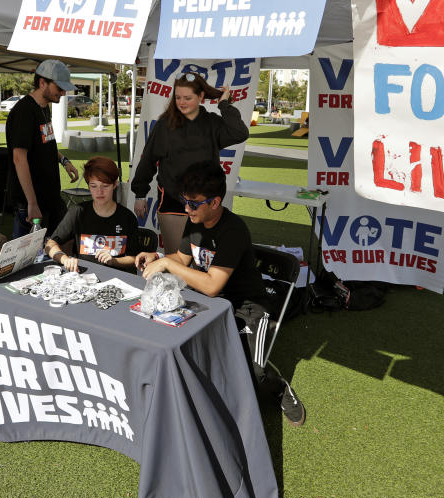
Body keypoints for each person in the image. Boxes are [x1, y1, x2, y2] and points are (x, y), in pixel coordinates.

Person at [136, 161, 306, 426]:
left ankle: (280, 388)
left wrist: (167, 264)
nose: (186, 208)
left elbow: (213, 285)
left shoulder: (233, 230)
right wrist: (158, 257)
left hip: (247, 308)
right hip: (210, 303)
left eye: (193, 203)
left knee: (254, 371)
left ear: (215, 203)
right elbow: (181, 259)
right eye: (184, 200)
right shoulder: (195, 221)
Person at [131, 72, 248, 254]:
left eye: (187, 97)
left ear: (201, 96)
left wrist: (224, 105)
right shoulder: (165, 125)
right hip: (172, 199)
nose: (182, 102)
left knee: (201, 261)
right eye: (178, 97)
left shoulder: (212, 123)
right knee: (175, 258)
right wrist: (140, 194)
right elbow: (148, 159)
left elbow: (239, 133)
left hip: (205, 202)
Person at [6, 59, 80, 238]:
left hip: (49, 196)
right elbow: (19, 158)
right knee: (24, 256)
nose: (63, 93)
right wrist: (31, 202)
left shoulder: (44, 108)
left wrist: (64, 160)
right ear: (42, 83)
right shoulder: (24, 112)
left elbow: (44, 145)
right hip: (30, 202)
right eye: (59, 88)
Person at [43, 156, 139, 272]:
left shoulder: (127, 217)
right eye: (93, 186)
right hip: (85, 277)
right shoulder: (78, 212)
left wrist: (114, 261)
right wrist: (64, 259)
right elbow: (50, 244)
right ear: (88, 186)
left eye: (105, 186)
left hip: (119, 280)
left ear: (115, 184)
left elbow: (135, 259)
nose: (99, 192)